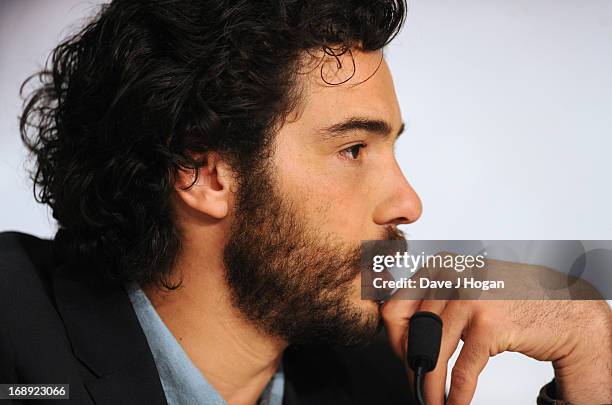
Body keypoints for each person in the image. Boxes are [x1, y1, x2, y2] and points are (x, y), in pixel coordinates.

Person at [1, 1, 610, 404]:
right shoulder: (16, 349)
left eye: (391, 149)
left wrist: (589, 344)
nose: (408, 203)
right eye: (352, 149)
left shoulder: (379, 375)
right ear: (204, 172)